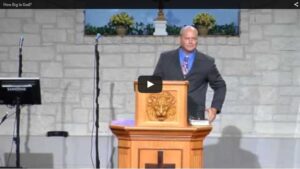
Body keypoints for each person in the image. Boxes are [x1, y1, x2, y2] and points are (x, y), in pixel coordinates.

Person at [153, 25, 226, 123]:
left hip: (195, 116)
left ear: (197, 40)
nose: (190, 41)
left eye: (193, 38)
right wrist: (141, 86)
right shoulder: (166, 58)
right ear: (181, 39)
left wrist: (214, 108)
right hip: (168, 115)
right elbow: (154, 83)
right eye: (187, 38)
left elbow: (220, 86)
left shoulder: (207, 62)